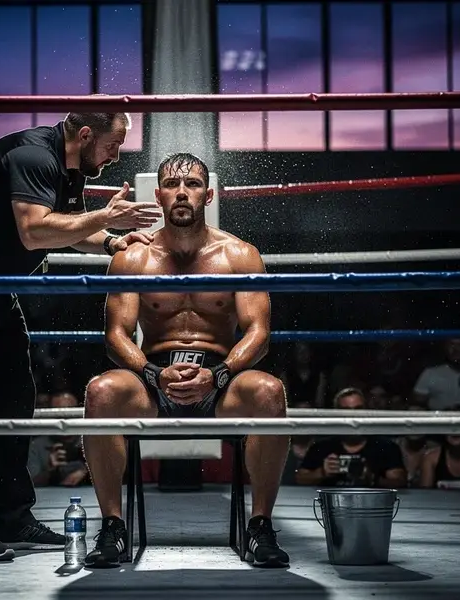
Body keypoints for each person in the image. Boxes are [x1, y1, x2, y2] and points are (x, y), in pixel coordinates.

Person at [0, 112, 161, 561]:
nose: (115, 155)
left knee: (16, 391)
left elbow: (66, 229)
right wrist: (107, 216)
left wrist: (111, 242)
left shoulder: (69, 170)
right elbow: (34, 232)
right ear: (85, 135)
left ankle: (12, 515)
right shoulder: (32, 155)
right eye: (112, 145)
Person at [81, 152, 290, 569]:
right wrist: (154, 374)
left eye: (192, 184)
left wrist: (218, 375)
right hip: (152, 381)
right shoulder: (132, 258)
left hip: (221, 380)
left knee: (269, 392)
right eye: (173, 186)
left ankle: (261, 527)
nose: (182, 192)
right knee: (101, 392)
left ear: (208, 194)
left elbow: (258, 333)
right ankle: (112, 528)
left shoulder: (239, 255)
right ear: (158, 195)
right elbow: (116, 336)